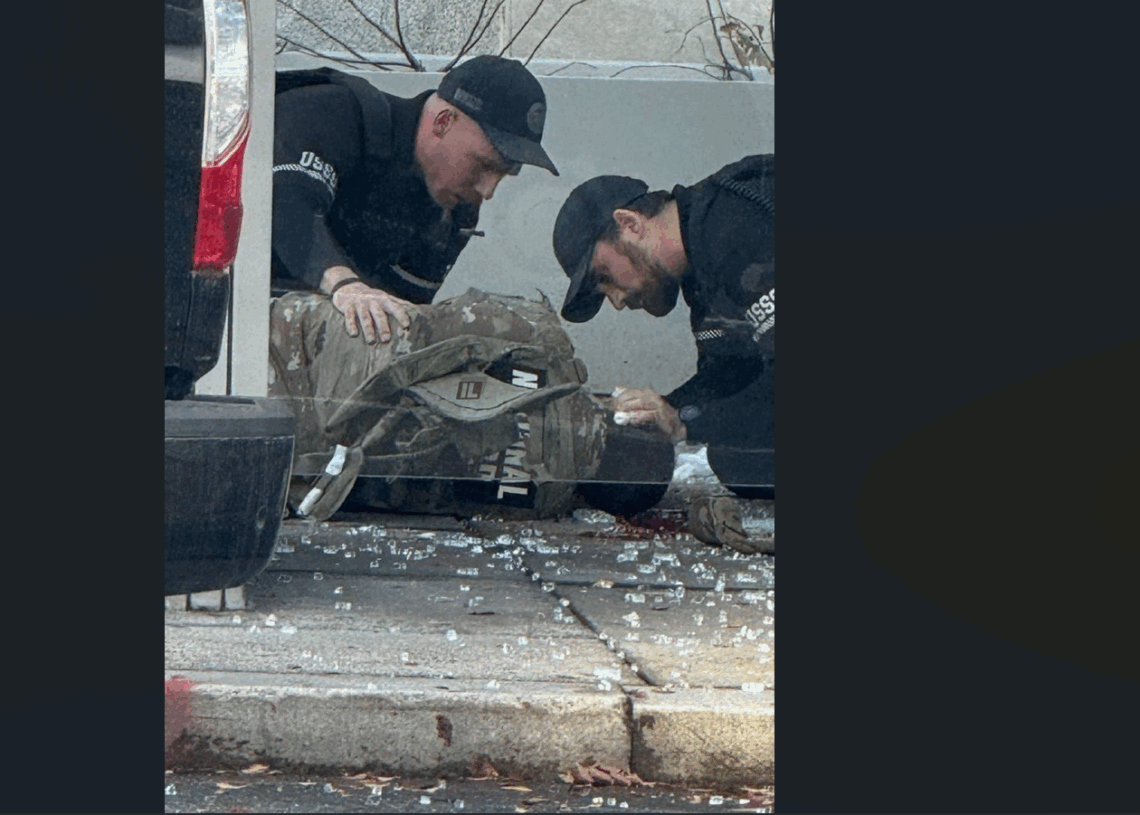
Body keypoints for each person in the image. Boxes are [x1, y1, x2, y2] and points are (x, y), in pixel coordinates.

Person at [552, 155, 774, 552]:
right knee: (736, 461)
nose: (617, 301)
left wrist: (683, 420)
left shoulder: (735, 221)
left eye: (604, 277)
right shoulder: (701, 255)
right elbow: (732, 379)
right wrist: (658, 413)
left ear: (630, 223)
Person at [270, 55, 559, 344]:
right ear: (443, 122)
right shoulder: (335, 112)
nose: (488, 190)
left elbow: (401, 323)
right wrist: (345, 284)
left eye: (504, 175)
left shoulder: (456, 210)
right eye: (483, 165)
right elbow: (283, 204)